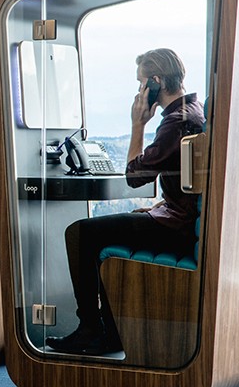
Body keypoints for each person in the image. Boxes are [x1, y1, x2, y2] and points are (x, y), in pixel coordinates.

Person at [46, 48, 205, 356]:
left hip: (177, 228)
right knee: (100, 235)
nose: (139, 91)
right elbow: (183, 184)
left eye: (141, 83)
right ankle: (110, 332)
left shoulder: (175, 122)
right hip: (181, 219)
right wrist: (160, 206)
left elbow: (134, 175)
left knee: (80, 233)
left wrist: (138, 124)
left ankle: (91, 330)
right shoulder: (193, 110)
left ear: (156, 82)